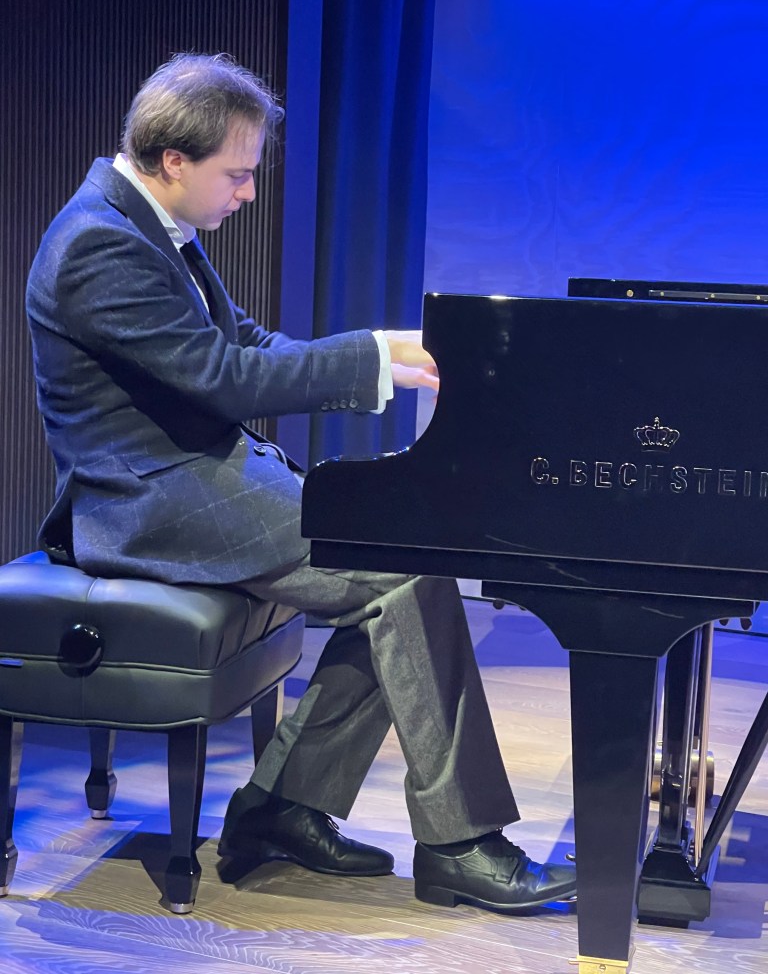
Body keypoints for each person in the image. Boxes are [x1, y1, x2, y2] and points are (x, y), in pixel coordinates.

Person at [25, 53, 575, 914]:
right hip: (148, 501)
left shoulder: (146, 222)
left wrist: (380, 353)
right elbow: (225, 378)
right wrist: (368, 358)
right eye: (237, 174)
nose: (248, 193)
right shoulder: (102, 245)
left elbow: (243, 341)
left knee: (395, 564)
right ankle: (459, 845)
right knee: (399, 570)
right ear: (174, 160)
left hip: (196, 476)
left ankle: (282, 807)